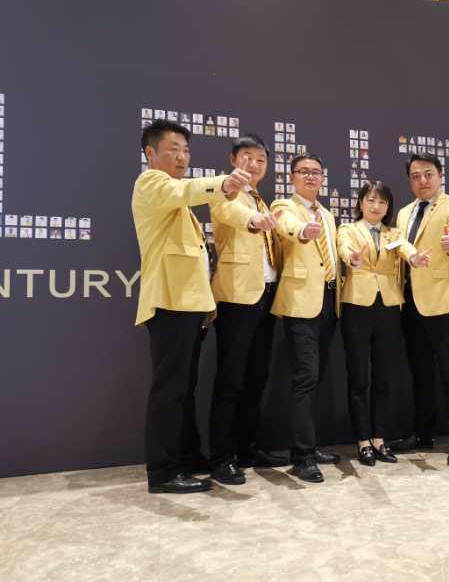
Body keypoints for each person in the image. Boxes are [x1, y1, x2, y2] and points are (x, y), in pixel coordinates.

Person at [132, 119, 249, 493]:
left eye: (185, 150)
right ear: (150, 153)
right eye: (173, 149)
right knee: (169, 389)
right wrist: (224, 183)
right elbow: (187, 190)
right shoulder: (151, 183)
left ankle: (185, 457)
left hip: (188, 305)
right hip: (170, 303)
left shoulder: (177, 202)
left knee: (182, 387)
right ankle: (163, 471)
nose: (182, 157)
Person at [207, 134, 289, 486]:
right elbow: (232, 213)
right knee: (231, 379)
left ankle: (247, 448)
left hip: (266, 295)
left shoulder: (261, 198)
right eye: (247, 157)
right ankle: (222, 458)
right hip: (237, 298)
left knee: (256, 377)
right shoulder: (225, 191)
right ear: (233, 159)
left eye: (260, 159)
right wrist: (255, 220)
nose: (254, 164)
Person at [337, 181, 429, 466]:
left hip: (388, 307)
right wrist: (352, 259)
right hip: (357, 306)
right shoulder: (348, 229)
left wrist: (414, 257)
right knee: (358, 376)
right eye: (371, 200)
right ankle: (362, 440)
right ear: (361, 203)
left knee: (384, 376)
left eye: (382, 202)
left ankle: (379, 438)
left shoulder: (394, 233)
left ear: (388, 207)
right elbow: (344, 249)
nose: (376, 206)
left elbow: (405, 249)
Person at [390, 153, 449, 466]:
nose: (422, 180)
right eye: (415, 176)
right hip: (409, 301)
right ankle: (422, 433)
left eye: (428, 174)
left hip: (442, 299)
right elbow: (399, 245)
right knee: (420, 371)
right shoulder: (404, 212)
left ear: (439, 176)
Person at [270, 152, 341, 482]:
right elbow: (287, 227)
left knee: (316, 377)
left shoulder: (327, 215)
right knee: (305, 377)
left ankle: (310, 446)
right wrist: (303, 231)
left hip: (329, 300)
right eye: (303, 171)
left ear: (323, 178)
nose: (311, 176)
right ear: (292, 177)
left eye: (316, 172)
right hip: (301, 302)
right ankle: (301, 456)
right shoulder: (283, 206)